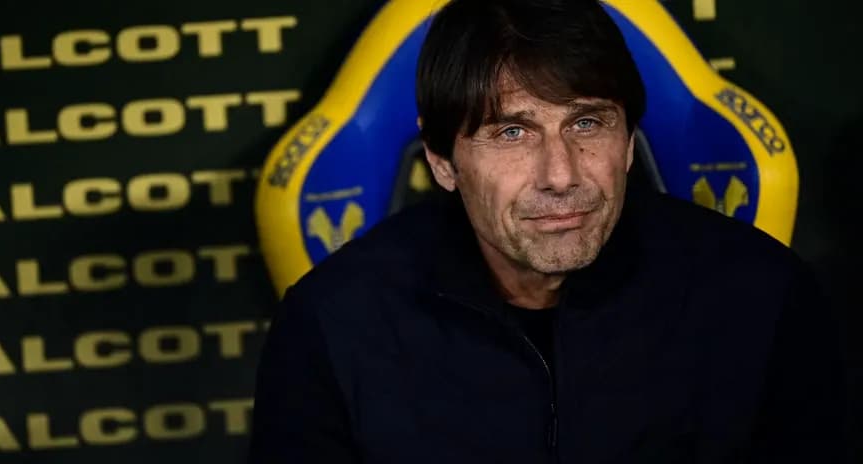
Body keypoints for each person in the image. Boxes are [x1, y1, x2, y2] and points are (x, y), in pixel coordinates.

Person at [248, 0, 847, 462]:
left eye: (587, 123)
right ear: (441, 159)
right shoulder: (333, 322)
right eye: (512, 132)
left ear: (629, 140)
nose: (560, 175)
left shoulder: (762, 294)